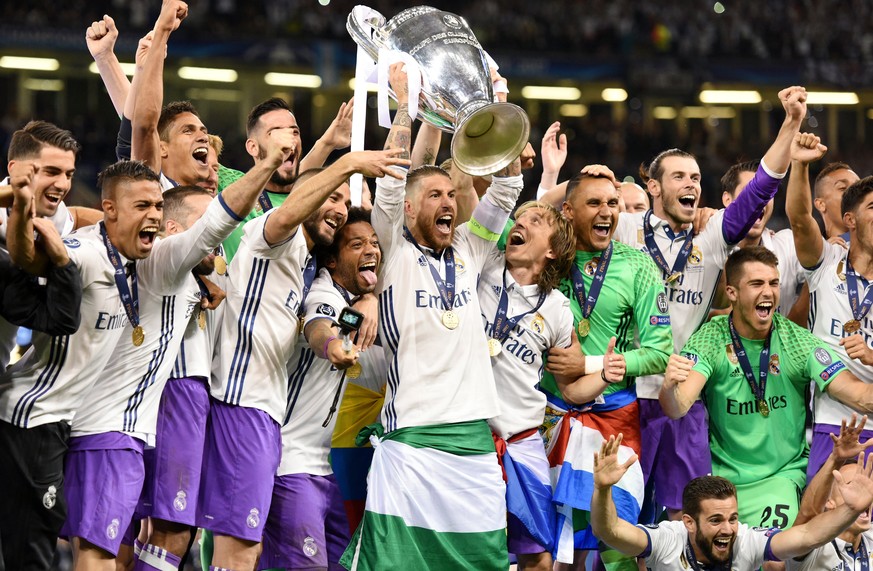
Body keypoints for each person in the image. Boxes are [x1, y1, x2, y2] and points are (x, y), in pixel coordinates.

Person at [340, 63, 521, 571]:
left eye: (451, 194)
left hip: (474, 439)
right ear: (411, 208)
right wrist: (405, 105)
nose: (449, 203)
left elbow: (505, 192)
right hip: (413, 436)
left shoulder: (470, 248)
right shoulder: (391, 247)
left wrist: (497, 103)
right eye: (436, 196)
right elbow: (392, 182)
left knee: (481, 563)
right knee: (394, 563)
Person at [199, 148, 406, 571]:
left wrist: (370, 298)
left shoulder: (308, 268)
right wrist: (346, 164)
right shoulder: (281, 242)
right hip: (259, 426)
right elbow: (321, 323)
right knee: (239, 554)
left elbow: (339, 310)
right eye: (330, 198)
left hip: (307, 455)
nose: (338, 208)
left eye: (344, 202)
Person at [0, 160, 161, 571]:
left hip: (58, 421)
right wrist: (26, 213)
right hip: (32, 416)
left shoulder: (130, 255)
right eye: (143, 204)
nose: (154, 215)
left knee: (30, 542)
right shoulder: (85, 252)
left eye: (158, 205)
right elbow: (30, 258)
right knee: (32, 551)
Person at [660, 247, 873, 528]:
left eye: (773, 283)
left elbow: (859, 395)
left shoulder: (798, 342)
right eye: (756, 284)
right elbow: (679, 405)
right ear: (732, 292)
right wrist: (668, 389)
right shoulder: (710, 338)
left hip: (780, 478)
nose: (768, 292)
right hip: (722, 484)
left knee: (773, 559)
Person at [534, 168, 672, 568]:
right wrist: (559, 175)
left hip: (614, 419)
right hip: (549, 415)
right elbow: (512, 221)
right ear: (567, 211)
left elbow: (660, 352)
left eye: (612, 203)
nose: (607, 212)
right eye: (594, 203)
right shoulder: (545, 258)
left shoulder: (638, 266)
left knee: (613, 540)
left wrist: (590, 364)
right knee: (550, 547)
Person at [259, 208, 381, 570]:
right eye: (357, 244)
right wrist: (332, 347)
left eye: (374, 243)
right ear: (331, 260)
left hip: (322, 468)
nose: (371, 250)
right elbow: (321, 324)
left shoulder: (354, 299)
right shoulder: (322, 292)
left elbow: (349, 312)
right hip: (291, 463)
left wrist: (369, 299)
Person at [590, 434, 873, 571]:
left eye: (733, 518)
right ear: (688, 522)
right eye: (716, 520)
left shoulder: (745, 542)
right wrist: (603, 490)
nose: (728, 529)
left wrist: (851, 509)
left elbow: (808, 535)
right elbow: (610, 531)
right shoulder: (667, 540)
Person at [477, 200, 576, 570]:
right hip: (470, 437)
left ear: (551, 249)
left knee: (538, 555)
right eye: (519, 218)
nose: (520, 223)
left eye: (535, 220)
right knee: (469, 546)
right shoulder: (482, 267)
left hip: (521, 442)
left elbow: (570, 387)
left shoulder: (558, 310)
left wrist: (603, 370)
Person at [785, 132, 873, 479]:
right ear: (850, 220)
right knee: (823, 528)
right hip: (833, 423)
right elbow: (798, 217)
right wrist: (799, 165)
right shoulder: (826, 262)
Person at [0, 121, 100, 370]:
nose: (63, 184)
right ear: (15, 169)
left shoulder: (57, 219)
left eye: (69, 174)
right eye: (52, 171)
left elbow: (77, 216)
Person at [787, 414, 873, 570]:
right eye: (852, 486)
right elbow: (807, 514)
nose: (862, 496)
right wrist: (835, 459)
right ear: (829, 501)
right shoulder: (813, 546)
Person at [721, 160, 805, 318]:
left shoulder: (787, 245)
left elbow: (821, 271)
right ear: (727, 199)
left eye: (766, 194)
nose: (758, 200)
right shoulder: (706, 245)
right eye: (749, 193)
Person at [814, 162, 859, 241]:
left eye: (859, 188)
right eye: (843, 188)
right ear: (821, 204)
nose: (856, 193)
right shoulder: (814, 250)